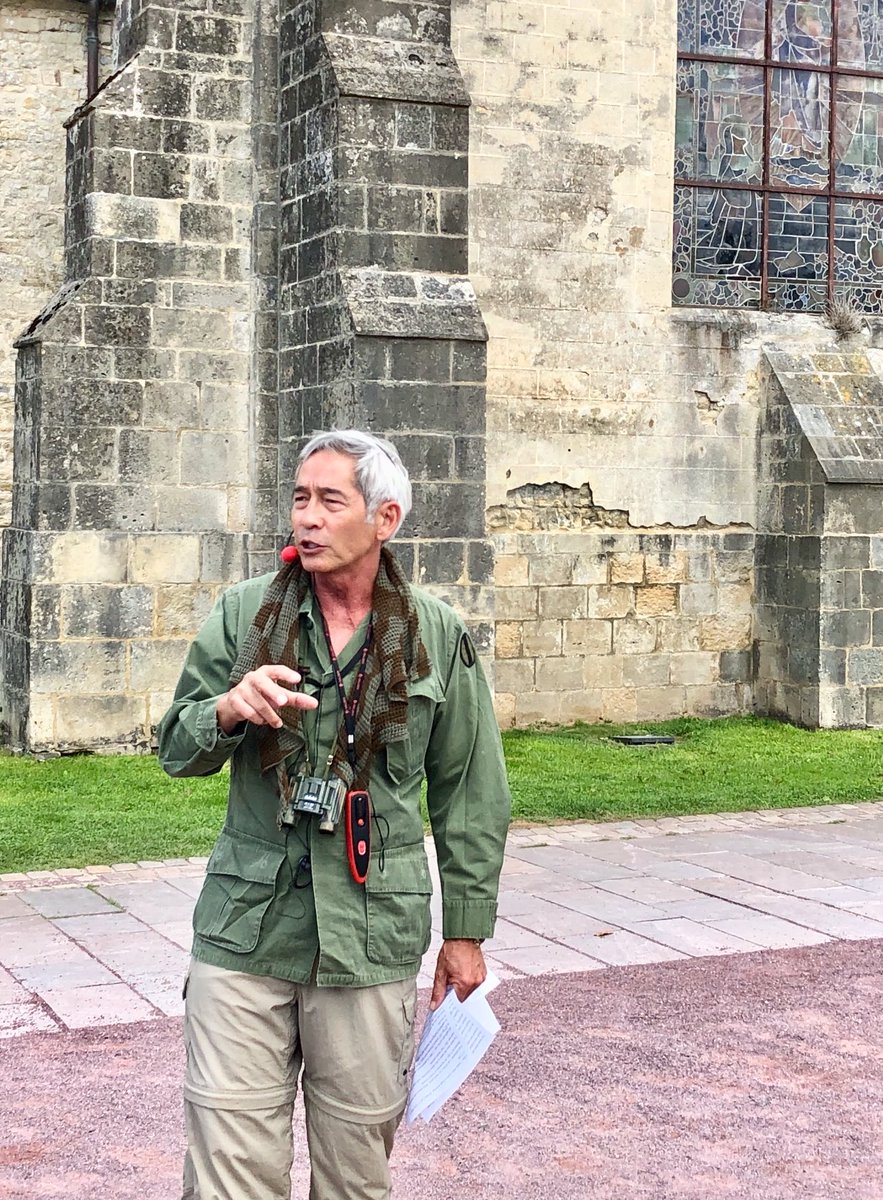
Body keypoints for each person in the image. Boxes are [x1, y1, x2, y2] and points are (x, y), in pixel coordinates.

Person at [156, 429, 512, 1200]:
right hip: (246, 929)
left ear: (385, 519)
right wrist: (226, 709)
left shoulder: (435, 634)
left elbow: (469, 791)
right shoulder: (244, 614)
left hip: (370, 935)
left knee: (355, 1171)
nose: (307, 517)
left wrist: (465, 934)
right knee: (227, 1171)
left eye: (329, 500)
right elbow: (175, 749)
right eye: (299, 498)